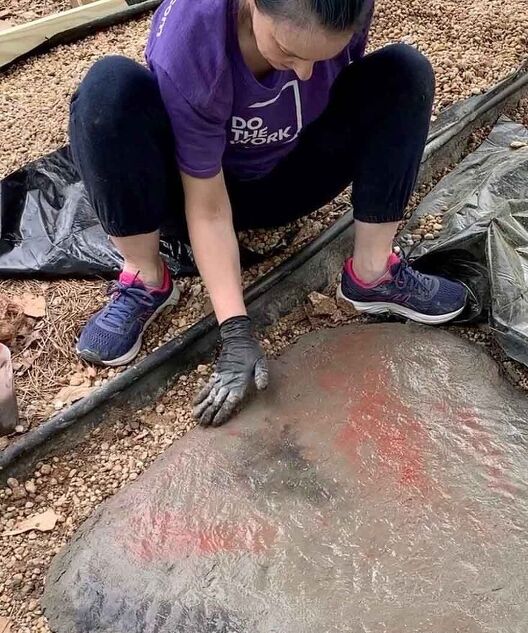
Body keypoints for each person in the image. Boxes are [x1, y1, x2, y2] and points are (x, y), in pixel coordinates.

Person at [69, 0, 468, 426]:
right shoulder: (193, 40)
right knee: (107, 91)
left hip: (287, 175)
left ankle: (372, 274)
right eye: (288, 51)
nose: (304, 74)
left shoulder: (347, 7)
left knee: (404, 72)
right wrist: (236, 332)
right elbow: (207, 207)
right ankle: (146, 277)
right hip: (192, 192)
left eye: (321, 56)